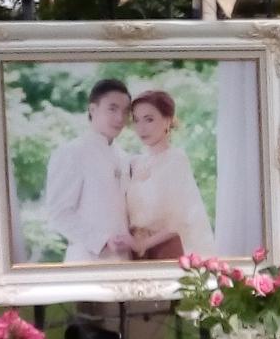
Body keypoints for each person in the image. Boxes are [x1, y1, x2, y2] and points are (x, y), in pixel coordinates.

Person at [43, 78, 133, 263]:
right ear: (93, 109)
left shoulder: (124, 157)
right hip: (88, 259)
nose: (120, 118)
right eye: (112, 109)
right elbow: (58, 213)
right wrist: (102, 240)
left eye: (125, 111)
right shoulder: (72, 152)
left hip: (125, 261)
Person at [124, 89, 214, 261]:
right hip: (136, 252)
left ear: (167, 120)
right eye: (136, 120)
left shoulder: (175, 159)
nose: (141, 128)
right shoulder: (135, 162)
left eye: (149, 119)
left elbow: (180, 218)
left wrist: (144, 244)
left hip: (167, 249)